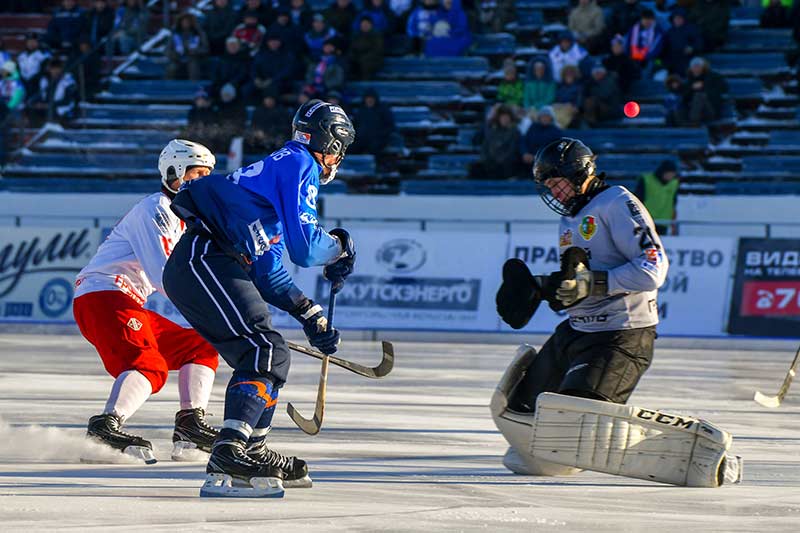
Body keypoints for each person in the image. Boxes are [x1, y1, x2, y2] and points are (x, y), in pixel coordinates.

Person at [161, 100, 356, 497]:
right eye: (339, 148)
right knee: (264, 349)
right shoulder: (300, 164)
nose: (338, 158)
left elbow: (267, 267)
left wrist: (310, 312)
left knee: (270, 353)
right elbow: (304, 248)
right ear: (331, 143)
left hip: (206, 262)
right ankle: (230, 451)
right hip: (207, 258)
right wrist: (339, 247)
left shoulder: (278, 173)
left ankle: (251, 447)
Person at [493, 137, 683, 483]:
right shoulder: (570, 217)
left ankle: (656, 446)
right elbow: (578, 277)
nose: (554, 193)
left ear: (578, 172)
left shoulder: (617, 202)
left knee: (573, 424)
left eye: (556, 183)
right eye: (548, 186)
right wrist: (545, 287)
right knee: (521, 409)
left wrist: (594, 284)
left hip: (622, 336)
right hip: (578, 331)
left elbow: (653, 269)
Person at [73, 140, 219, 465]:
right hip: (103, 295)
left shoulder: (185, 220)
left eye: (206, 176)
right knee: (148, 365)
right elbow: (162, 274)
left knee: (201, 347)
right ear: (173, 173)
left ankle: (189, 428)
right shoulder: (156, 208)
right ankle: (105, 427)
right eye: (195, 174)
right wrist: (213, 307)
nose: (201, 182)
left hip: (126, 300)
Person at [635, 158, 680, 235]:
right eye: (669, 173)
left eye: (672, 174)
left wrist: (673, 223)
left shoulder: (674, 184)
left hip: (663, 222)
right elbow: (637, 200)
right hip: (647, 220)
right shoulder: (647, 180)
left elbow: (673, 203)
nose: (670, 176)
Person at [166, 12, 209, 80]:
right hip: (177, 58)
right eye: (184, 21)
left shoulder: (199, 34)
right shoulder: (174, 34)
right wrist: (174, 54)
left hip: (193, 58)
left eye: (188, 21)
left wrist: (195, 51)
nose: (186, 23)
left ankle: (194, 87)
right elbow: (167, 50)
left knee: (194, 67)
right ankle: (168, 87)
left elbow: (205, 49)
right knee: (171, 68)